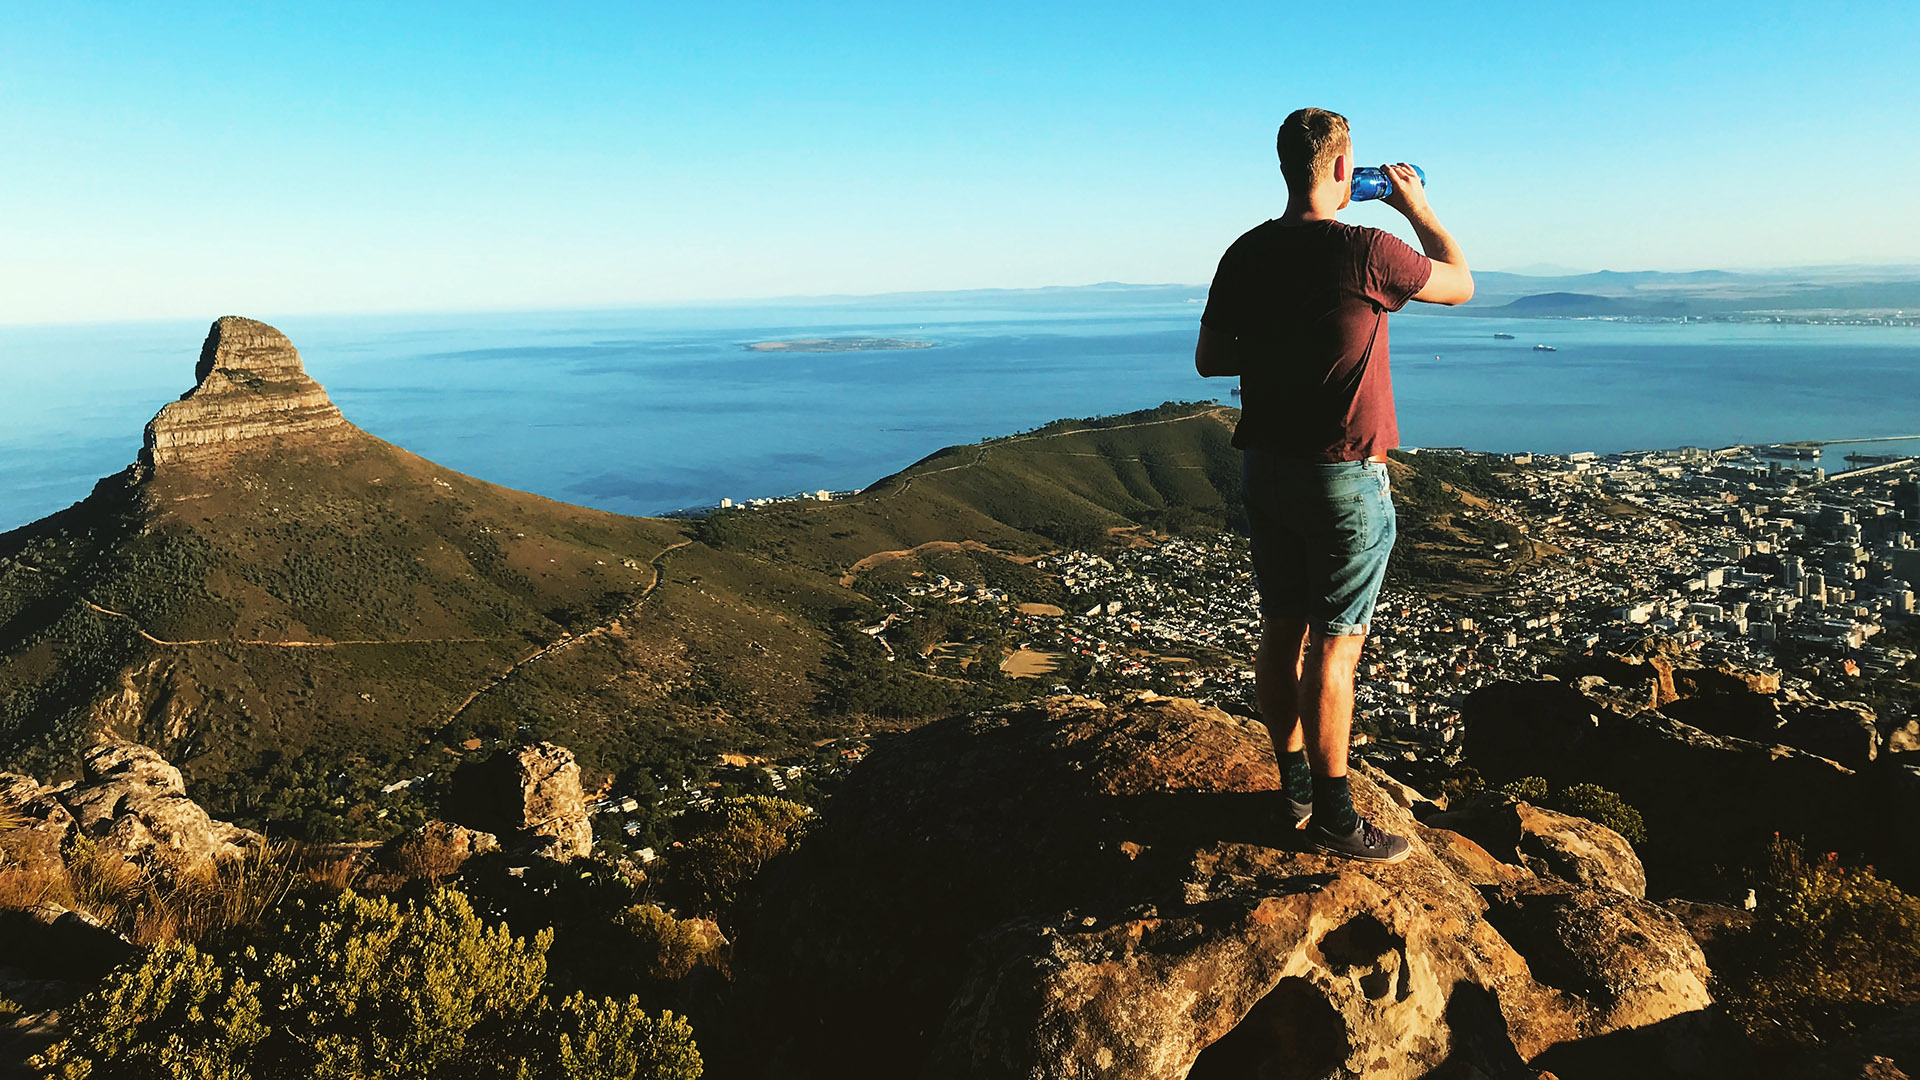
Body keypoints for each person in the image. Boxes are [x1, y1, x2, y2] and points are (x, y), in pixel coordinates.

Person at [1194, 107, 1472, 863]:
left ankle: (1291, 790)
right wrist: (1417, 208)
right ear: (1347, 173)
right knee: (1334, 650)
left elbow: (1210, 361)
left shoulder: (1244, 252)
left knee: (1280, 630)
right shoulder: (1369, 250)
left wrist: (1282, 342)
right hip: (1344, 479)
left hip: (1265, 470)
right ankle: (1337, 820)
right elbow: (1461, 285)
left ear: (1286, 169)